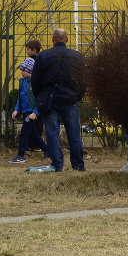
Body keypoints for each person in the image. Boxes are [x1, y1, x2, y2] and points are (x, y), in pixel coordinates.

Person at [30, 28, 87, 172]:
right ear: (66, 40)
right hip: (70, 100)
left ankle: (57, 164)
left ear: (52, 40)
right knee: (74, 134)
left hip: (50, 100)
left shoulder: (43, 56)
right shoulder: (77, 57)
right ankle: (78, 165)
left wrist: (40, 96)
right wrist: (78, 95)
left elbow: (35, 80)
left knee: (52, 133)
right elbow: (83, 80)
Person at [8, 50, 47, 164]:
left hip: (31, 112)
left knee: (24, 133)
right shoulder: (23, 82)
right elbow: (20, 97)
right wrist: (16, 109)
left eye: (23, 71)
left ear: (30, 71)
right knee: (33, 134)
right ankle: (47, 150)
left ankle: (20, 155)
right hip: (25, 111)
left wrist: (35, 113)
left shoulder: (35, 83)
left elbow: (39, 100)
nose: (21, 73)